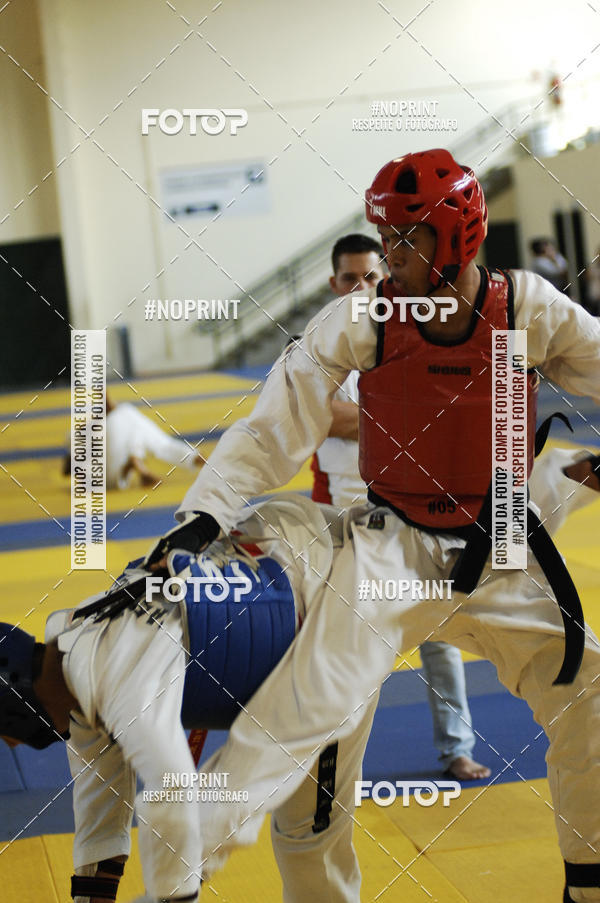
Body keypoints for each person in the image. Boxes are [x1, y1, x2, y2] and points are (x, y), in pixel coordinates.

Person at [151, 148, 600, 902]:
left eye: (406, 238)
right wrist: (202, 517)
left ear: (456, 236)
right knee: (301, 714)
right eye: (385, 236)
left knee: (588, 690)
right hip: (391, 547)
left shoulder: (525, 308)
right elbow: (273, 427)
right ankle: (180, 871)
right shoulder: (366, 320)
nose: (390, 255)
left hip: (501, 540)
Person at [0, 494, 379, 903]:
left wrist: (172, 895)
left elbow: (175, 789)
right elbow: (100, 820)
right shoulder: (73, 673)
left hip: (330, 598)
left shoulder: (119, 680)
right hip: (276, 549)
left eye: (3, 731)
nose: (11, 744)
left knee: (308, 837)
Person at [314, 232, 491, 781]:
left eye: (371, 276)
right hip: (345, 520)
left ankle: (457, 748)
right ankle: (333, 762)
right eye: (350, 278)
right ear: (334, 283)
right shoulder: (317, 344)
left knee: (440, 636)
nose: (361, 286)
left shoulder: (411, 334)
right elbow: (323, 417)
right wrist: (403, 416)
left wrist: (382, 418)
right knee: (344, 646)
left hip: (414, 514)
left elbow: (440, 415)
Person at [62, 393, 203, 489]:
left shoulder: (78, 437)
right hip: (122, 423)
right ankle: (197, 458)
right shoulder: (88, 432)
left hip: (112, 462)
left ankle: (136, 463)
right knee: (158, 441)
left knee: (113, 476)